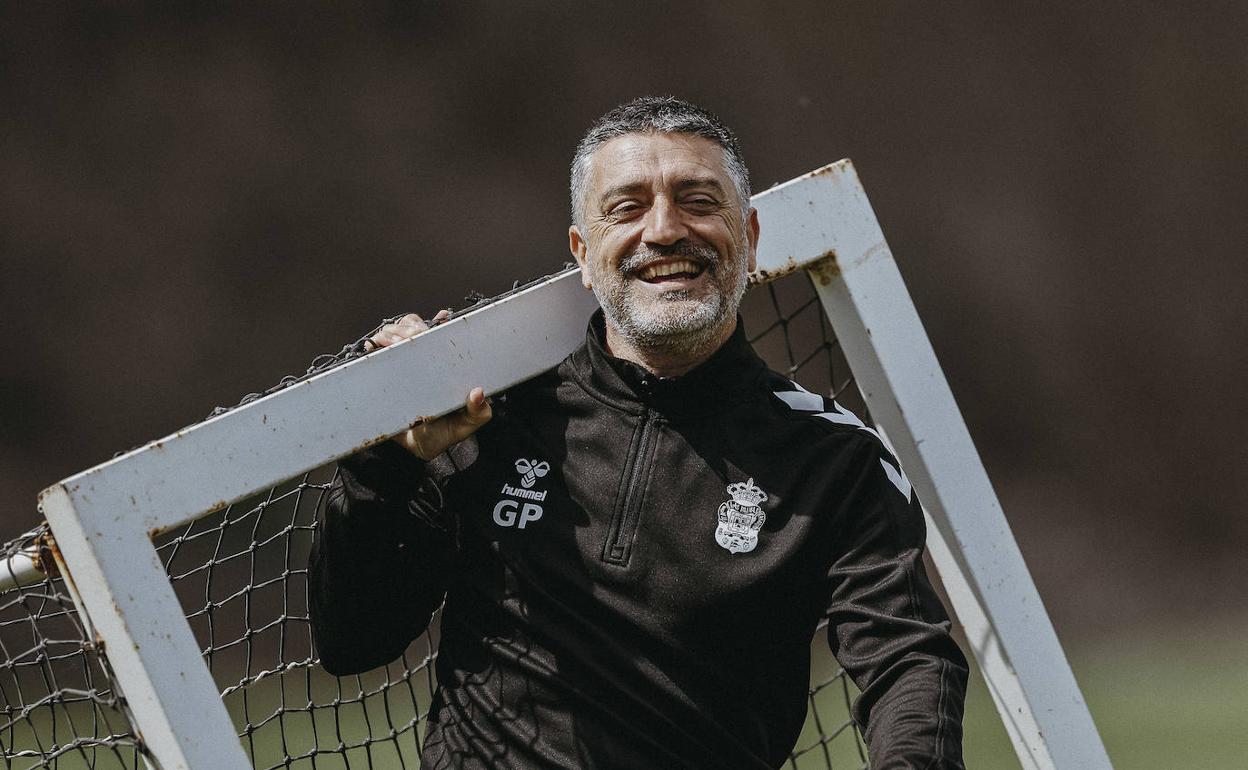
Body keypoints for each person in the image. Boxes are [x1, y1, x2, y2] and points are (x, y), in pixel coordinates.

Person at [309, 96, 968, 769]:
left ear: (751, 236)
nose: (665, 230)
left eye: (698, 201)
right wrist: (381, 466)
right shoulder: (485, 416)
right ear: (583, 255)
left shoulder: (835, 457)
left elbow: (907, 659)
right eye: (627, 207)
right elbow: (353, 641)